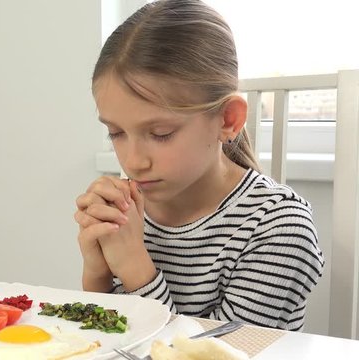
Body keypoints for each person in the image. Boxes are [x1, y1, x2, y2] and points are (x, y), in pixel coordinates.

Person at [74, 0, 324, 331]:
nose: (133, 161)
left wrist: (135, 268)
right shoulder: (130, 214)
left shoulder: (278, 226)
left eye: (160, 134)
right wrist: (97, 271)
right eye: (116, 133)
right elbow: (105, 341)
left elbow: (217, 352)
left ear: (228, 119)